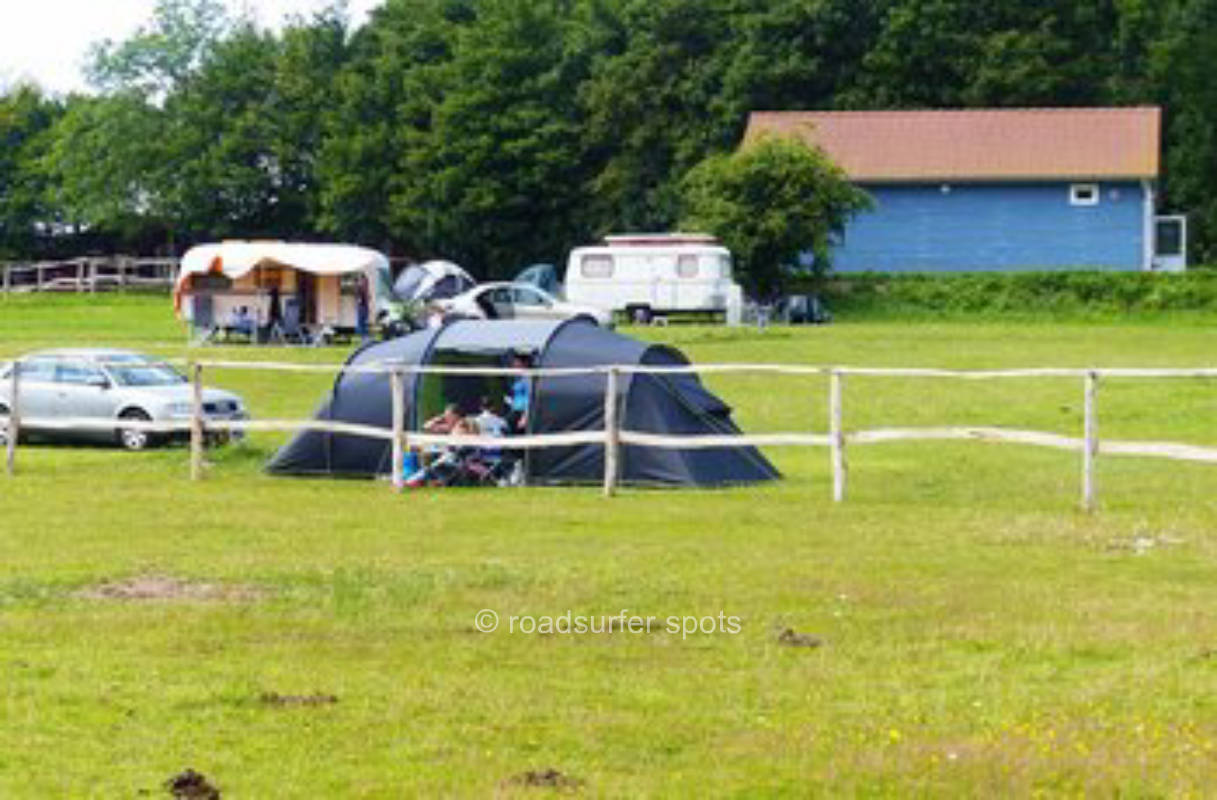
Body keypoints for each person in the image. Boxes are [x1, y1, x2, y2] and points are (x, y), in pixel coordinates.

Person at [505, 353, 532, 434]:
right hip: (515, 411)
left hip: (522, 413)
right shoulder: (518, 378)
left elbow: (530, 398)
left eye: (517, 362)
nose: (514, 364)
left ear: (524, 363)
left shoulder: (528, 378)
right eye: (514, 362)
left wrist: (525, 418)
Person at [355, 274, 371, 343]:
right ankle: (364, 337)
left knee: (363, 322)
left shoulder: (363, 288)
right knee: (362, 323)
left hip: (364, 307)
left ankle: (364, 337)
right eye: (365, 280)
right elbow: (359, 299)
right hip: (362, 307)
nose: (366, 282)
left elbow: (367, 298)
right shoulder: (360, 288)